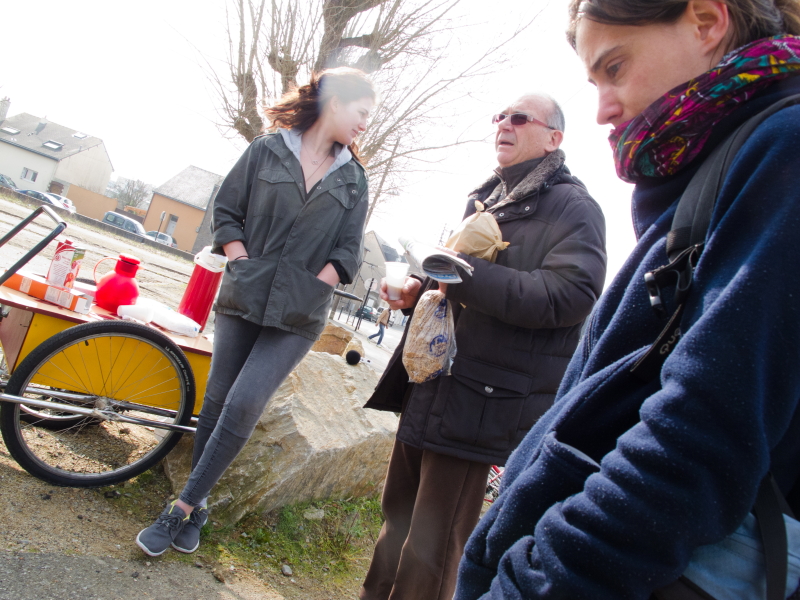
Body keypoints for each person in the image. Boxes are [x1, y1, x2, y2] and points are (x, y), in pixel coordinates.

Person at [454, 1, 800, 599]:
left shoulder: (783, 149)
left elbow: (697, 439)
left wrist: (533, 585)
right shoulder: (714, 171)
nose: (603, 109)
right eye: (594, 83)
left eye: (615, 68)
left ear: (707, 21)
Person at [360, 93, 607, 600]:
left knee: (432, 546)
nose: (503, 124)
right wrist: (418, 290)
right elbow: (455, 283)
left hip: (483, 402)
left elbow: (570, 295)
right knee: (395, 520)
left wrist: (464, 276)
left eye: (519, 117)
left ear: (554, 138)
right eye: (500, 115)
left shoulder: (575, 208)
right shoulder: (488, 196)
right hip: (433, 384)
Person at [135, 67, 374, 557]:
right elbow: (226, 211)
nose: (365, 124)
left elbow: (348, 252)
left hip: (299, 314)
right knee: (218, 400)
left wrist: (316, 283)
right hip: (244, 294)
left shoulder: (354, 178)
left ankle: (180, 507)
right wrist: (241, 260)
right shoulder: (266, 150)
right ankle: (199, 507)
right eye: (362, 112)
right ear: (334, 102)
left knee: (245, 403)